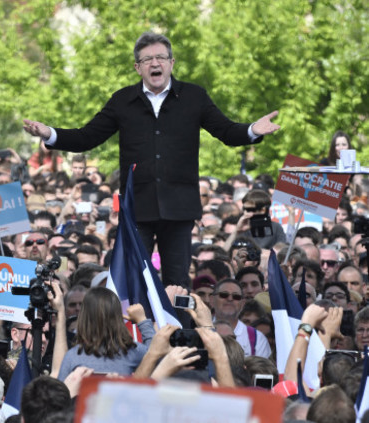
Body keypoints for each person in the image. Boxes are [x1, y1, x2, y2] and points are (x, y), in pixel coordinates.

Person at [23, 32, 280, 287]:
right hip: (137, 208)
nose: (155, 63)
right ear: (138, 68)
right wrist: (51, 134)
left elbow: (226, 131)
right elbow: (86, 137)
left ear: (171, 63)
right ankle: (140, 327)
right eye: (147, 60)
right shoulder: (123, 100)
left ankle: (177, 328)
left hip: (179, 208)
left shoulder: (194, 97)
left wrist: (251, 131)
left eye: (160, 57)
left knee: (177, 283)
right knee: (135, 280)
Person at [56, 287, 154, 380]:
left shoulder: (72, 356)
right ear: (117, 317)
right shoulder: (135, 352)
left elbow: (60, 394)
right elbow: (157, 355)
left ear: (84, 318)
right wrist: (142, 320)